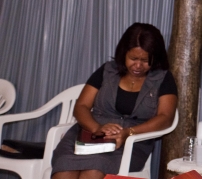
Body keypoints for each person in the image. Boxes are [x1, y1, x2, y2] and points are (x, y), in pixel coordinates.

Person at [51, 23, 177, 179]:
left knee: (94, 170)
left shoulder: (163, 78)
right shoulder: (108, 70)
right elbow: (81, 106)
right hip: (89, 136)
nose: (138, 65)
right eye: (133, 58)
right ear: (124, 53)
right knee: (64, 170)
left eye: (145, 60)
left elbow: (165, 118)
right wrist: (97, 128)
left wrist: (128, 132)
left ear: (155, 57)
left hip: (131, 143)